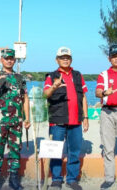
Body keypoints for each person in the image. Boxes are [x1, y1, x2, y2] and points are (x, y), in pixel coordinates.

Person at [0, 49, 30, 190]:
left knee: (15, 150)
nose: (9, 60)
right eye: (6, 58)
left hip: (16, 121)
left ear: (14, 60)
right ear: (1, 60)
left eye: (11, 58)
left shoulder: (20, 78)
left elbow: (25, 99)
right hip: (0, 121)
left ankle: (14, 179)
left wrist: (26, 118)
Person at [43, 47, 89, 190]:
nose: (65, 59)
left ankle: (71, 179)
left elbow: (84, 97)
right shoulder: (51, 76)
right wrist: (55, 86)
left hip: (76, 120)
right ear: (57, 60)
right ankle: (56, 179)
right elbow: (45, 95)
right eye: (62, 57)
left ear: (71, 59)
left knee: (74, 151)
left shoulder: (78, 75)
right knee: (55, 151)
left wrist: (86, 117)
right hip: (57, 120)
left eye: (67, 57)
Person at [95, 44, 117, 190]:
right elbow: (98, 92)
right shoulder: (103, 74)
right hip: (107, 113)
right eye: (114, 56)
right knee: (108, 148)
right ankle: (109, 178)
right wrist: (105, 93)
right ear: (109, 58)